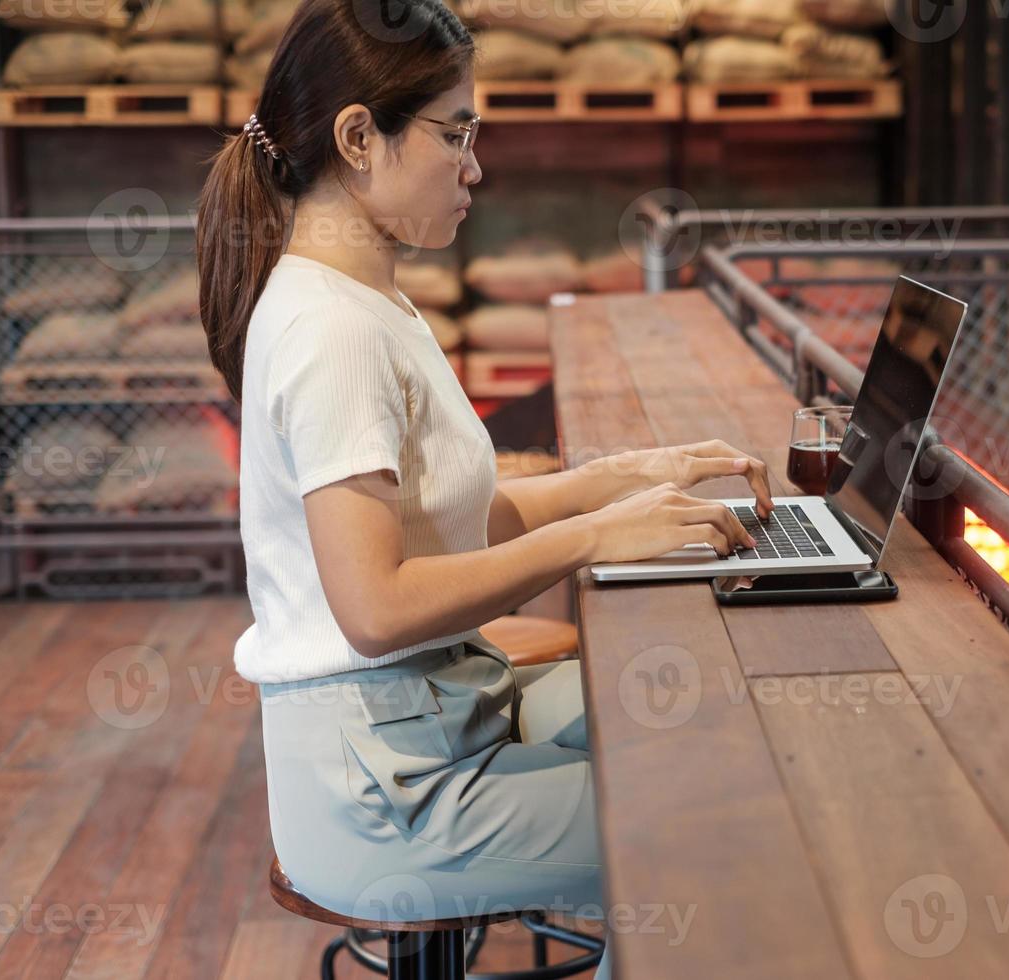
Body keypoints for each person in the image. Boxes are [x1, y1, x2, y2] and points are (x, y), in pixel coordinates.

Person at [193, 1, 773, 974]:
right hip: (391, 790)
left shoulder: (368, 296)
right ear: (357, 138)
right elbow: (375, 605)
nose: (474, 166)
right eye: (454, 134)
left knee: (705, 727)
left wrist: (622, 479)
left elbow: (460, 520)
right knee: (715, 826)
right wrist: (593, 536)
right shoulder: (328, 330)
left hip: (433, 721)